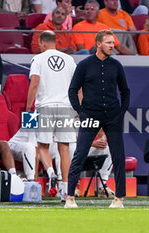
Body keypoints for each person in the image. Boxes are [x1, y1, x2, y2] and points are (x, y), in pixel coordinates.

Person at [66, 29, 130, 208]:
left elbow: (125, 91)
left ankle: (119, 199)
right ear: (98, 44)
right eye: (109, 42)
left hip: (112, 116)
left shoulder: (116, 65)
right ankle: (70, 197)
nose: (112, 46)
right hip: (90, 115)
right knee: (79, 154)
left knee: (118, 156)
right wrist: (80, 111)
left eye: (113, 43)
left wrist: (121, 111)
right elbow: (72, 90)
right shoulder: (84, 65)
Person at [26, 30, 77, 201]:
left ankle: (50, 172)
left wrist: (28, 107)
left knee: (42, 146)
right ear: (55, 42)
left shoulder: (38, 59)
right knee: (64, 149)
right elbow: (78, 86)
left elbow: (34, 82)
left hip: (45, 107)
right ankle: (66, 191)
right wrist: (78, 107)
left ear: (42, 43)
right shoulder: (69, 60)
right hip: (66, 107)